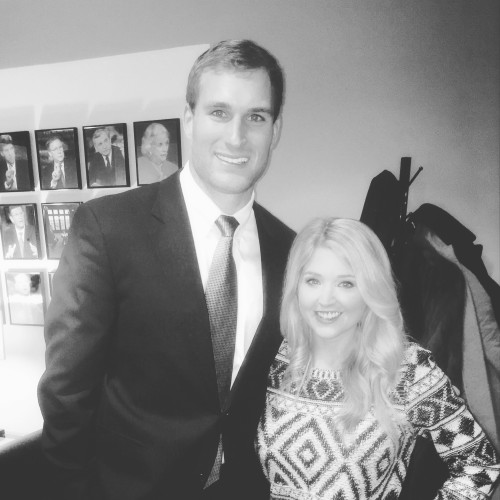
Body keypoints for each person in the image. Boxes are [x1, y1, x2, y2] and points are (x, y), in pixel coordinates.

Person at [38, 39, 295, 500]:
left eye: (256, 117)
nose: (237, 137)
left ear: (275, 131)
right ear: (189, 120)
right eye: (219, 112)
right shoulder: (108, 227)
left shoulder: (289, 250)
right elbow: (67, 391)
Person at [256, 217, 500, 499]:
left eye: (346, 283)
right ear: (296, 286)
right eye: (313, 280)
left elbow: (479, 465)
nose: (325, 299)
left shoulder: (407, 370)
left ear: (370, 289)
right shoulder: (280, 357)